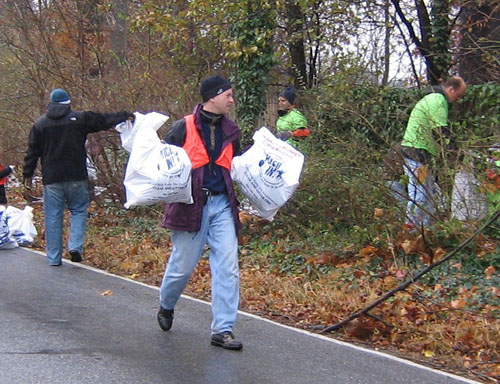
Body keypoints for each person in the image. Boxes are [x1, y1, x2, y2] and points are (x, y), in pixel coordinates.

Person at [157, 75, 243, 351]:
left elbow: (238, 166)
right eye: (227, 95)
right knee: (181, 268)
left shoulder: (233, 131)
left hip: (222, 206)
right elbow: (164, 165)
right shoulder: (182, 127)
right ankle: (166, 304)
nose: (231, 100)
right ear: (212, 97)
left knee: (228, 268)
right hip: (190, 207)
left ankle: (223, 329)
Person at [22, 88, 134, 266]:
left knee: (53, 216)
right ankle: (74, 246)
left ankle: (54, 258)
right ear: (68, 103)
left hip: (52, 179)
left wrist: (27, 176)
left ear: (50, 104)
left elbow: (32, 153)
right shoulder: (80, 119)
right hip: (76, 176)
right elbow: (104, 120)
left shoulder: (40, 125)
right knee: (79, 209)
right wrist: (125, 115)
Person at [400, 76, 467, 228]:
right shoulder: (437, 100)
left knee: (429, 196)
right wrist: (456, 153)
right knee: (420, 196)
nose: (459, 99)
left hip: (421, 153)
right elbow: (441, 132)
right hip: (416, 152)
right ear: (451, 89)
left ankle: (423, 235)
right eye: (458, 95)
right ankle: (409, 234)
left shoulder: (434, 99)